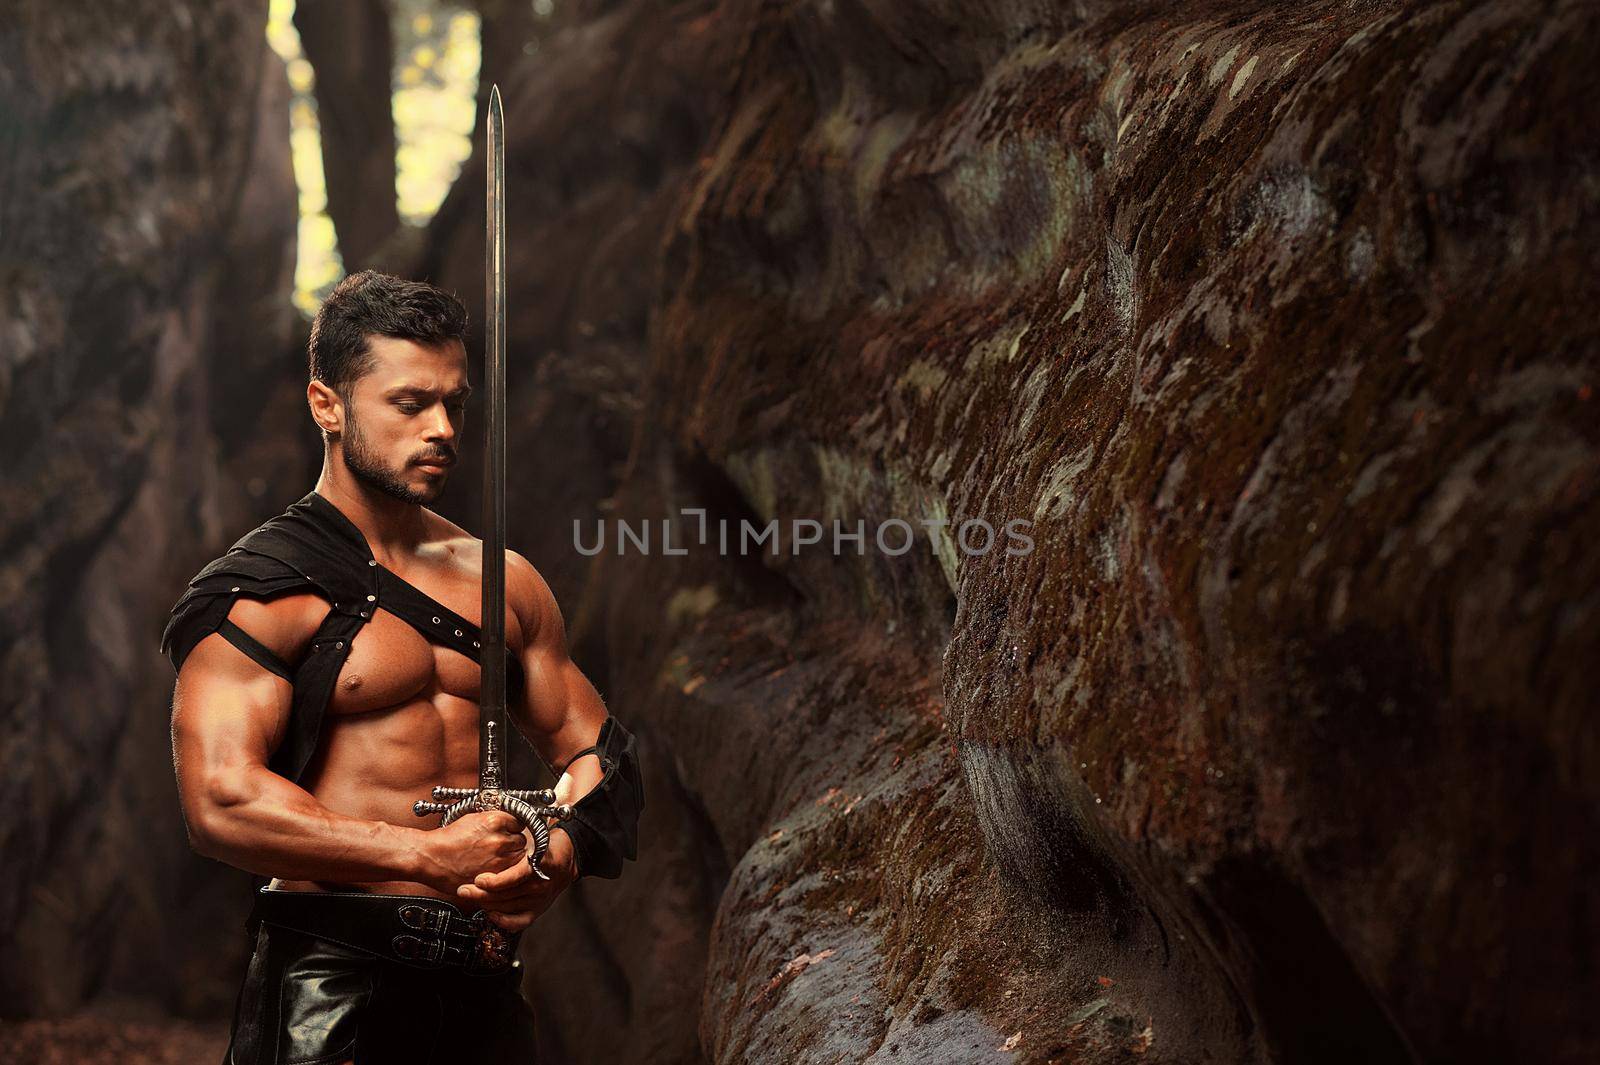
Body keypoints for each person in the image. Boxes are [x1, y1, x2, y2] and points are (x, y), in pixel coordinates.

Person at [161, 271, 644, 1065]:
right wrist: (421, 853)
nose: (443, 427)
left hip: (482, 982)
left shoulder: (501, 579)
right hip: (328, 983)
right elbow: (222, 799)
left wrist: (552, 857)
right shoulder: (263, 588)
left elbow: (600, 756)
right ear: (328, 405)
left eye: (454, 402)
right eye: (410, 403)